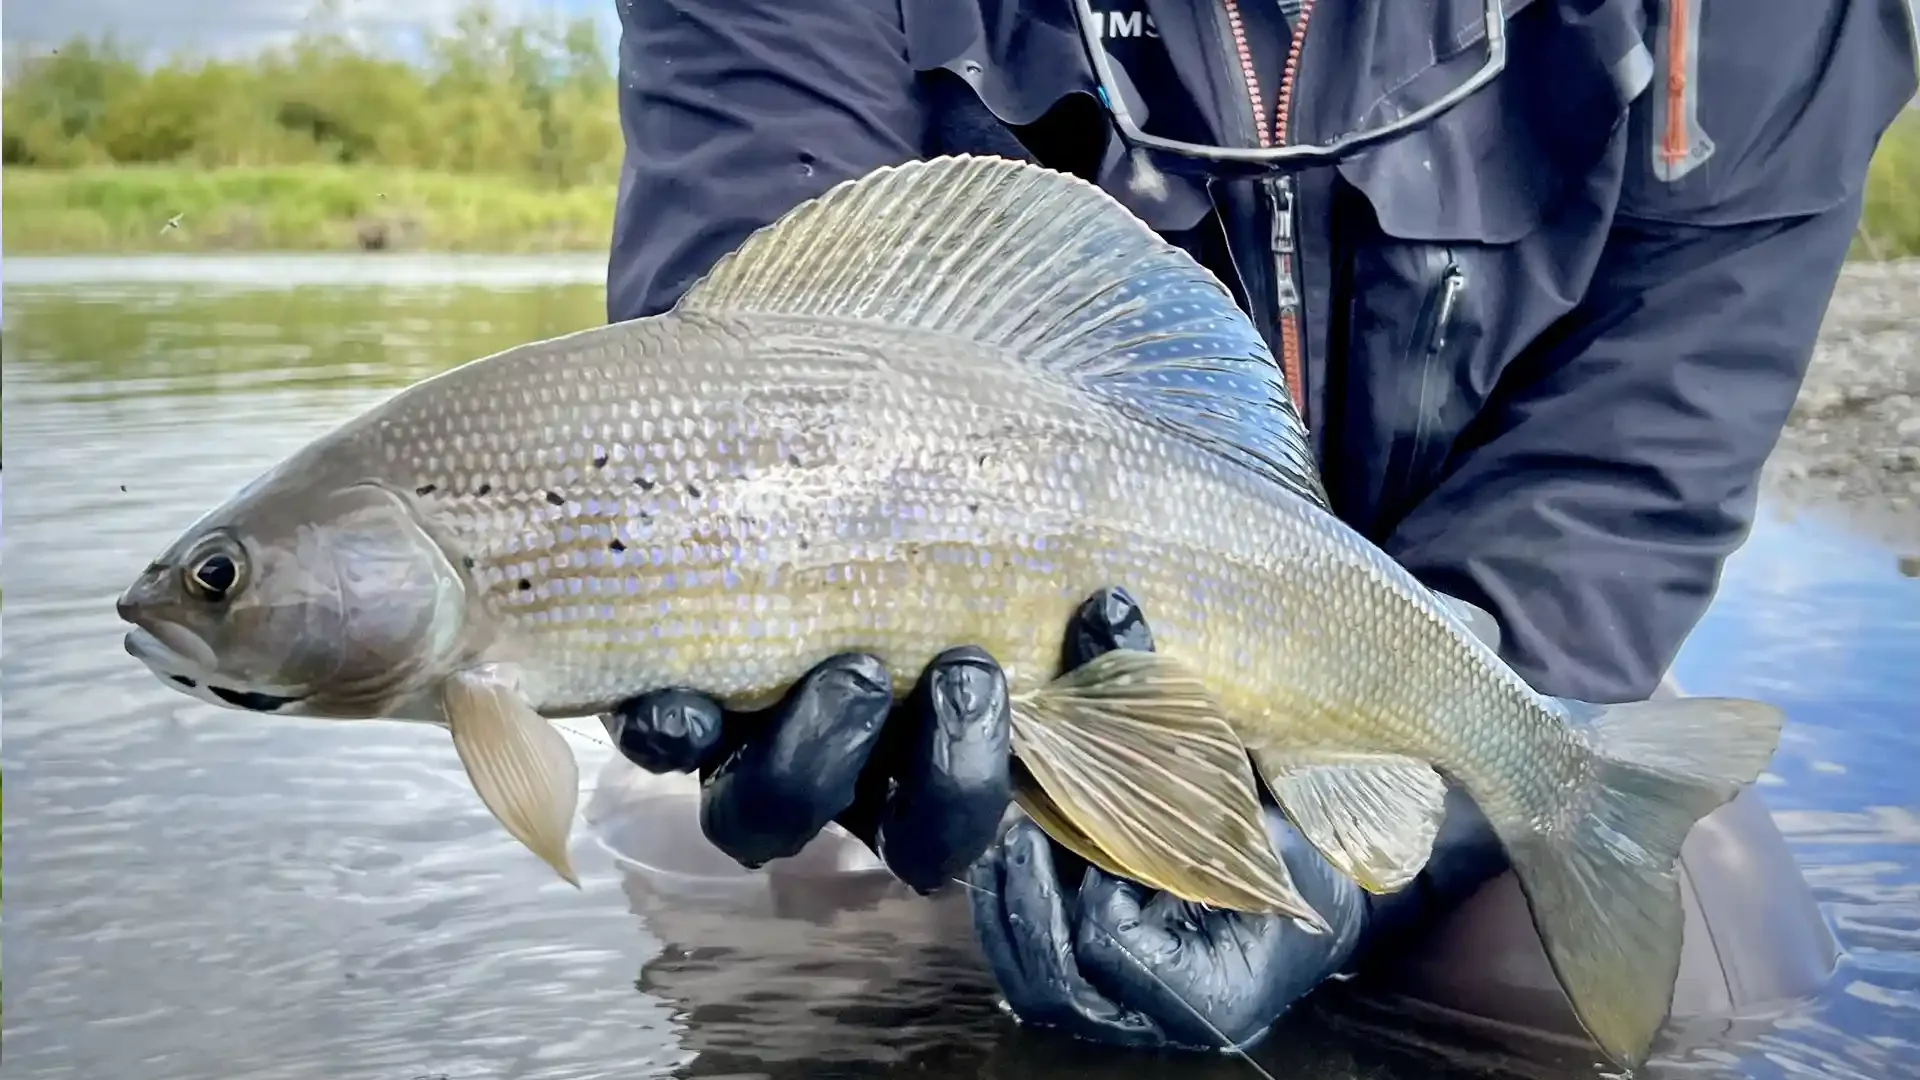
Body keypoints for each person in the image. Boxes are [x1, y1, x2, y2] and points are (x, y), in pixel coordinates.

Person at [598, 0, 1917, 1056]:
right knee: (757, 916)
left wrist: (1381, 860)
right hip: (966, 682)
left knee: (1707, 979)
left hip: (1476, 650)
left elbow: (1626, 473)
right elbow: (733, 351)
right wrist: (849, 740)